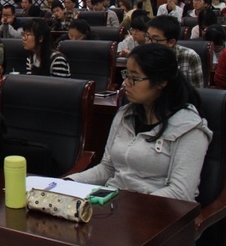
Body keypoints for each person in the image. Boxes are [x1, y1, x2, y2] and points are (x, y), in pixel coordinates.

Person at [68, 44, 212, 202]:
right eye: (126, 75)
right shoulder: (125, 114)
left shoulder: (189, 127)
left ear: (161, 82)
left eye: (135, 78)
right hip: (114, 203)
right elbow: (108, 168)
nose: (126, 83)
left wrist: (129, 207)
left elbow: (180, 192)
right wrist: (68, 182)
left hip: (158, 210)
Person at [146, 15, 203, 88]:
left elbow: (196, 91)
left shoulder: (190, 56)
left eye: (155, 39)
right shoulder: (142, 55)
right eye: (147, 37)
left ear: (171, 42)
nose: (149, 43)